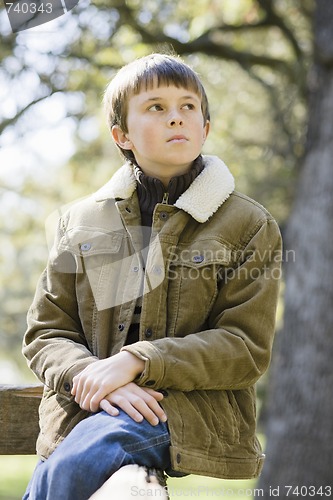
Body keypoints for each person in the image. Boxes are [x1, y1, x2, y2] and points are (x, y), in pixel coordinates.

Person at [22, 52, 282, 500]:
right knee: (80, 452)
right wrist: (93, 377)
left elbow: (244, 347)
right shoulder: (82, 221)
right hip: (87, 410)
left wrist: (138, 362)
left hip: (184, 412)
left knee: (81, 458)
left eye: (188, 107)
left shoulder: (249, 224)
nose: (176, 118)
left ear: (206, 128)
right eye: (156, 108)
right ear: (121, 134)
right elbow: (47, 331)